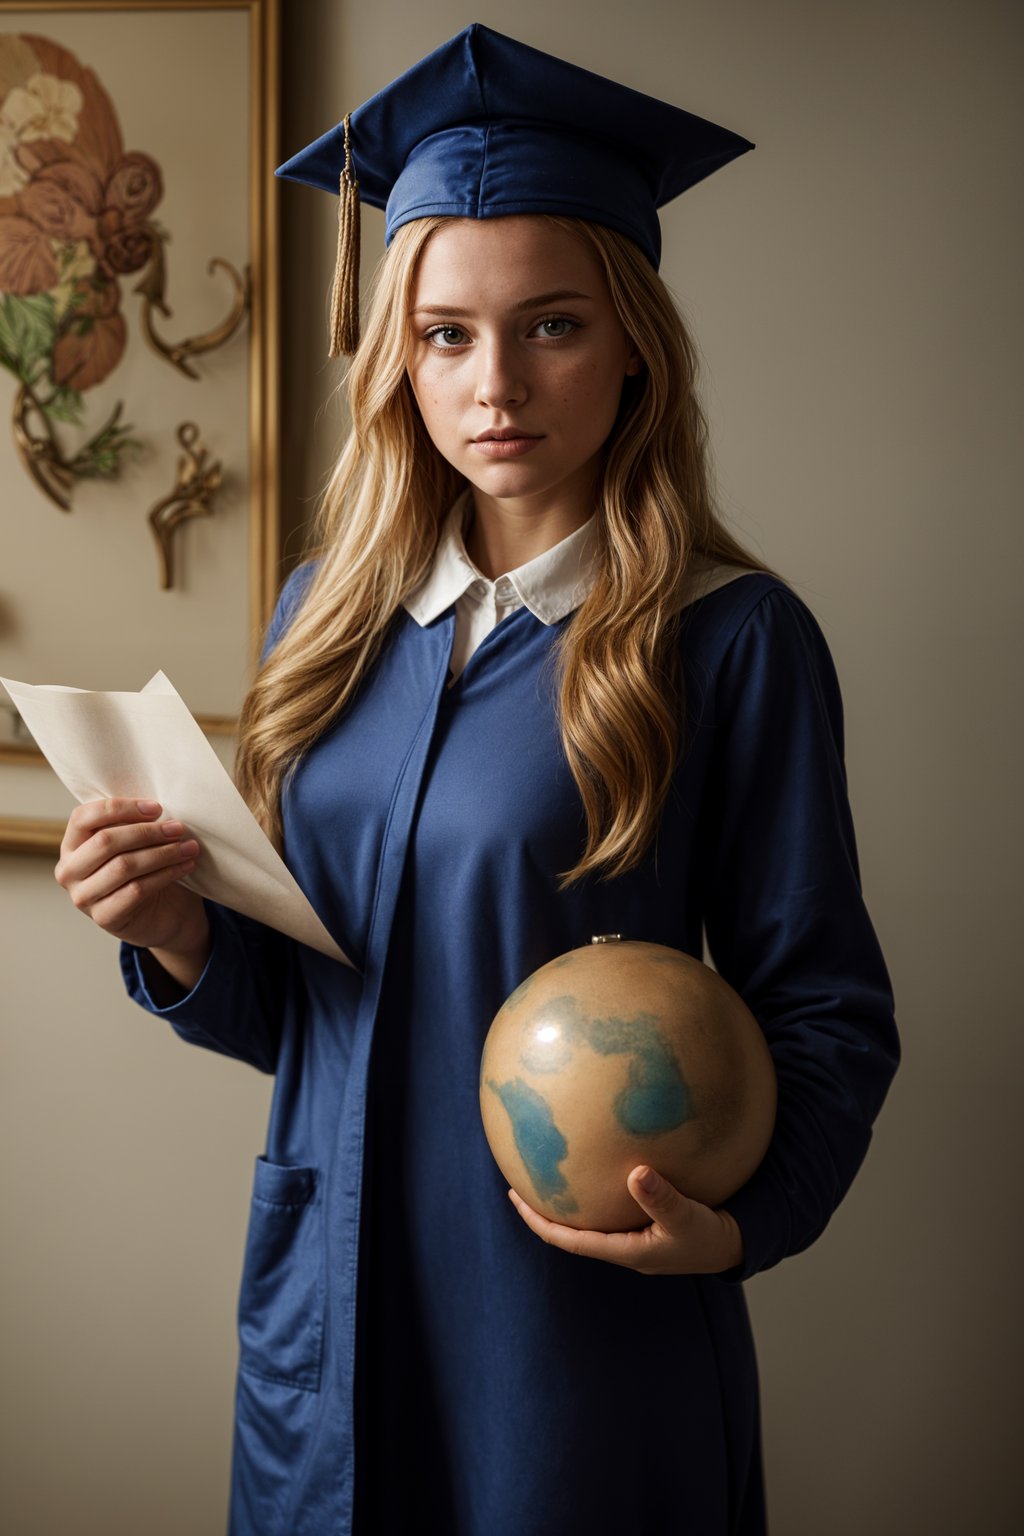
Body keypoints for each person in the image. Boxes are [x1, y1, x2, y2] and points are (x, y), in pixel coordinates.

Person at [53, 24, 899, 1536]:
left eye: (551, 325)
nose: (494, 382)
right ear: (396, 352)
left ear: (636, 337)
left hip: (573, 1337)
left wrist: (737, 1231)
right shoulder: (326, 615)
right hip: (327, 1302)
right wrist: (175, 935)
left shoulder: (731, 640)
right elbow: (321, 1011)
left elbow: (827, 1009)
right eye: (446, 333)